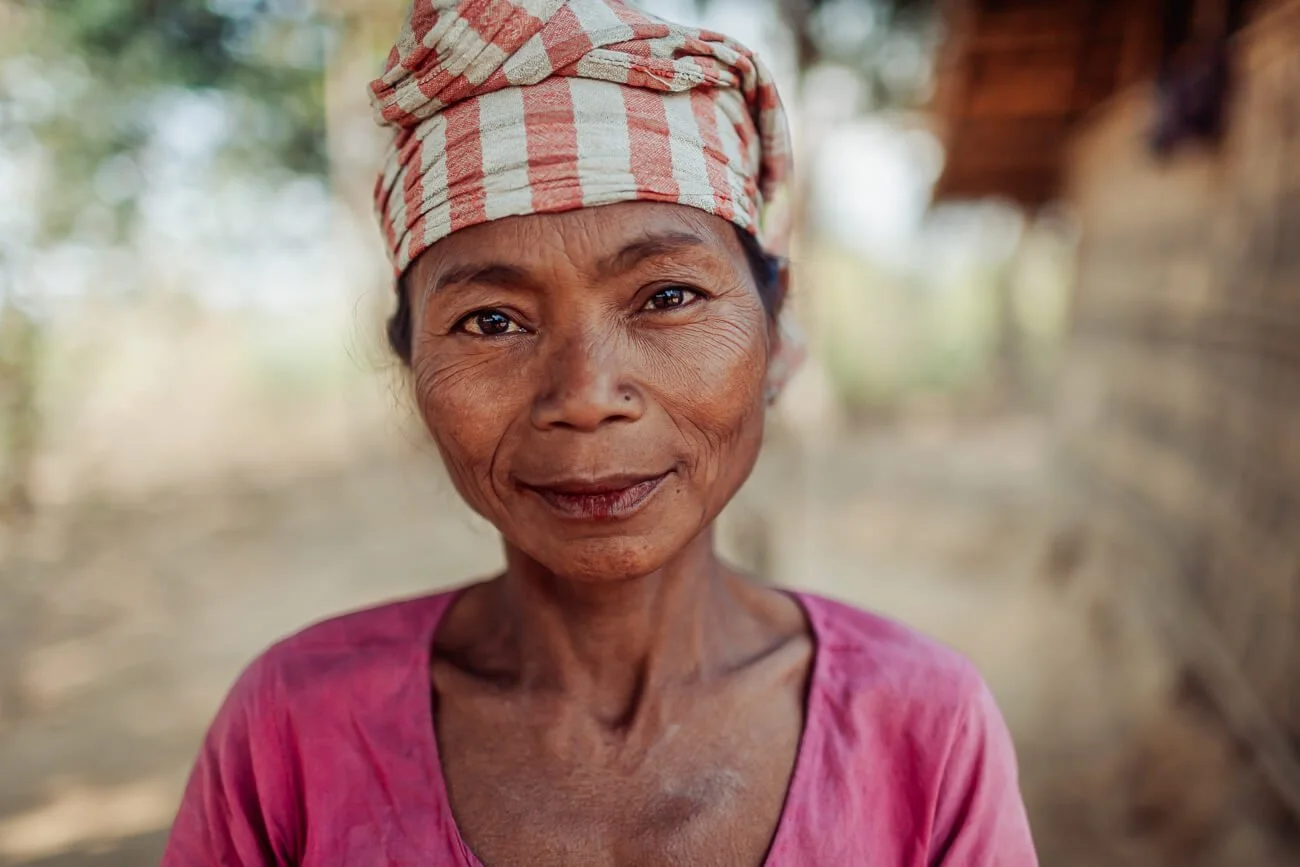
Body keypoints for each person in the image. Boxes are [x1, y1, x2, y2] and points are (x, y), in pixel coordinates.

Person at [161, 0, 1038, 864]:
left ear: (775, 334)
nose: (584, 395)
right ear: (411, 366)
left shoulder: (924, 723)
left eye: (668, 297)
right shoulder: (292, 728)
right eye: (492, 321)